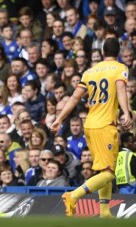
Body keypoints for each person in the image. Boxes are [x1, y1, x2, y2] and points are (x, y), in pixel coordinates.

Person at [50, 38, 133, 218]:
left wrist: (59, 119)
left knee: (103, 170)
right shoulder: (120, 69)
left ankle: (104, 211)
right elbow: (120, 88)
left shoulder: (90, 71)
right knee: (110, 173)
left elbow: (73, 98)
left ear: (103, 52)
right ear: (118, 53)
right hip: (105, 125)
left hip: (89, 125)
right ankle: (73, 195)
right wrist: (126, 112)